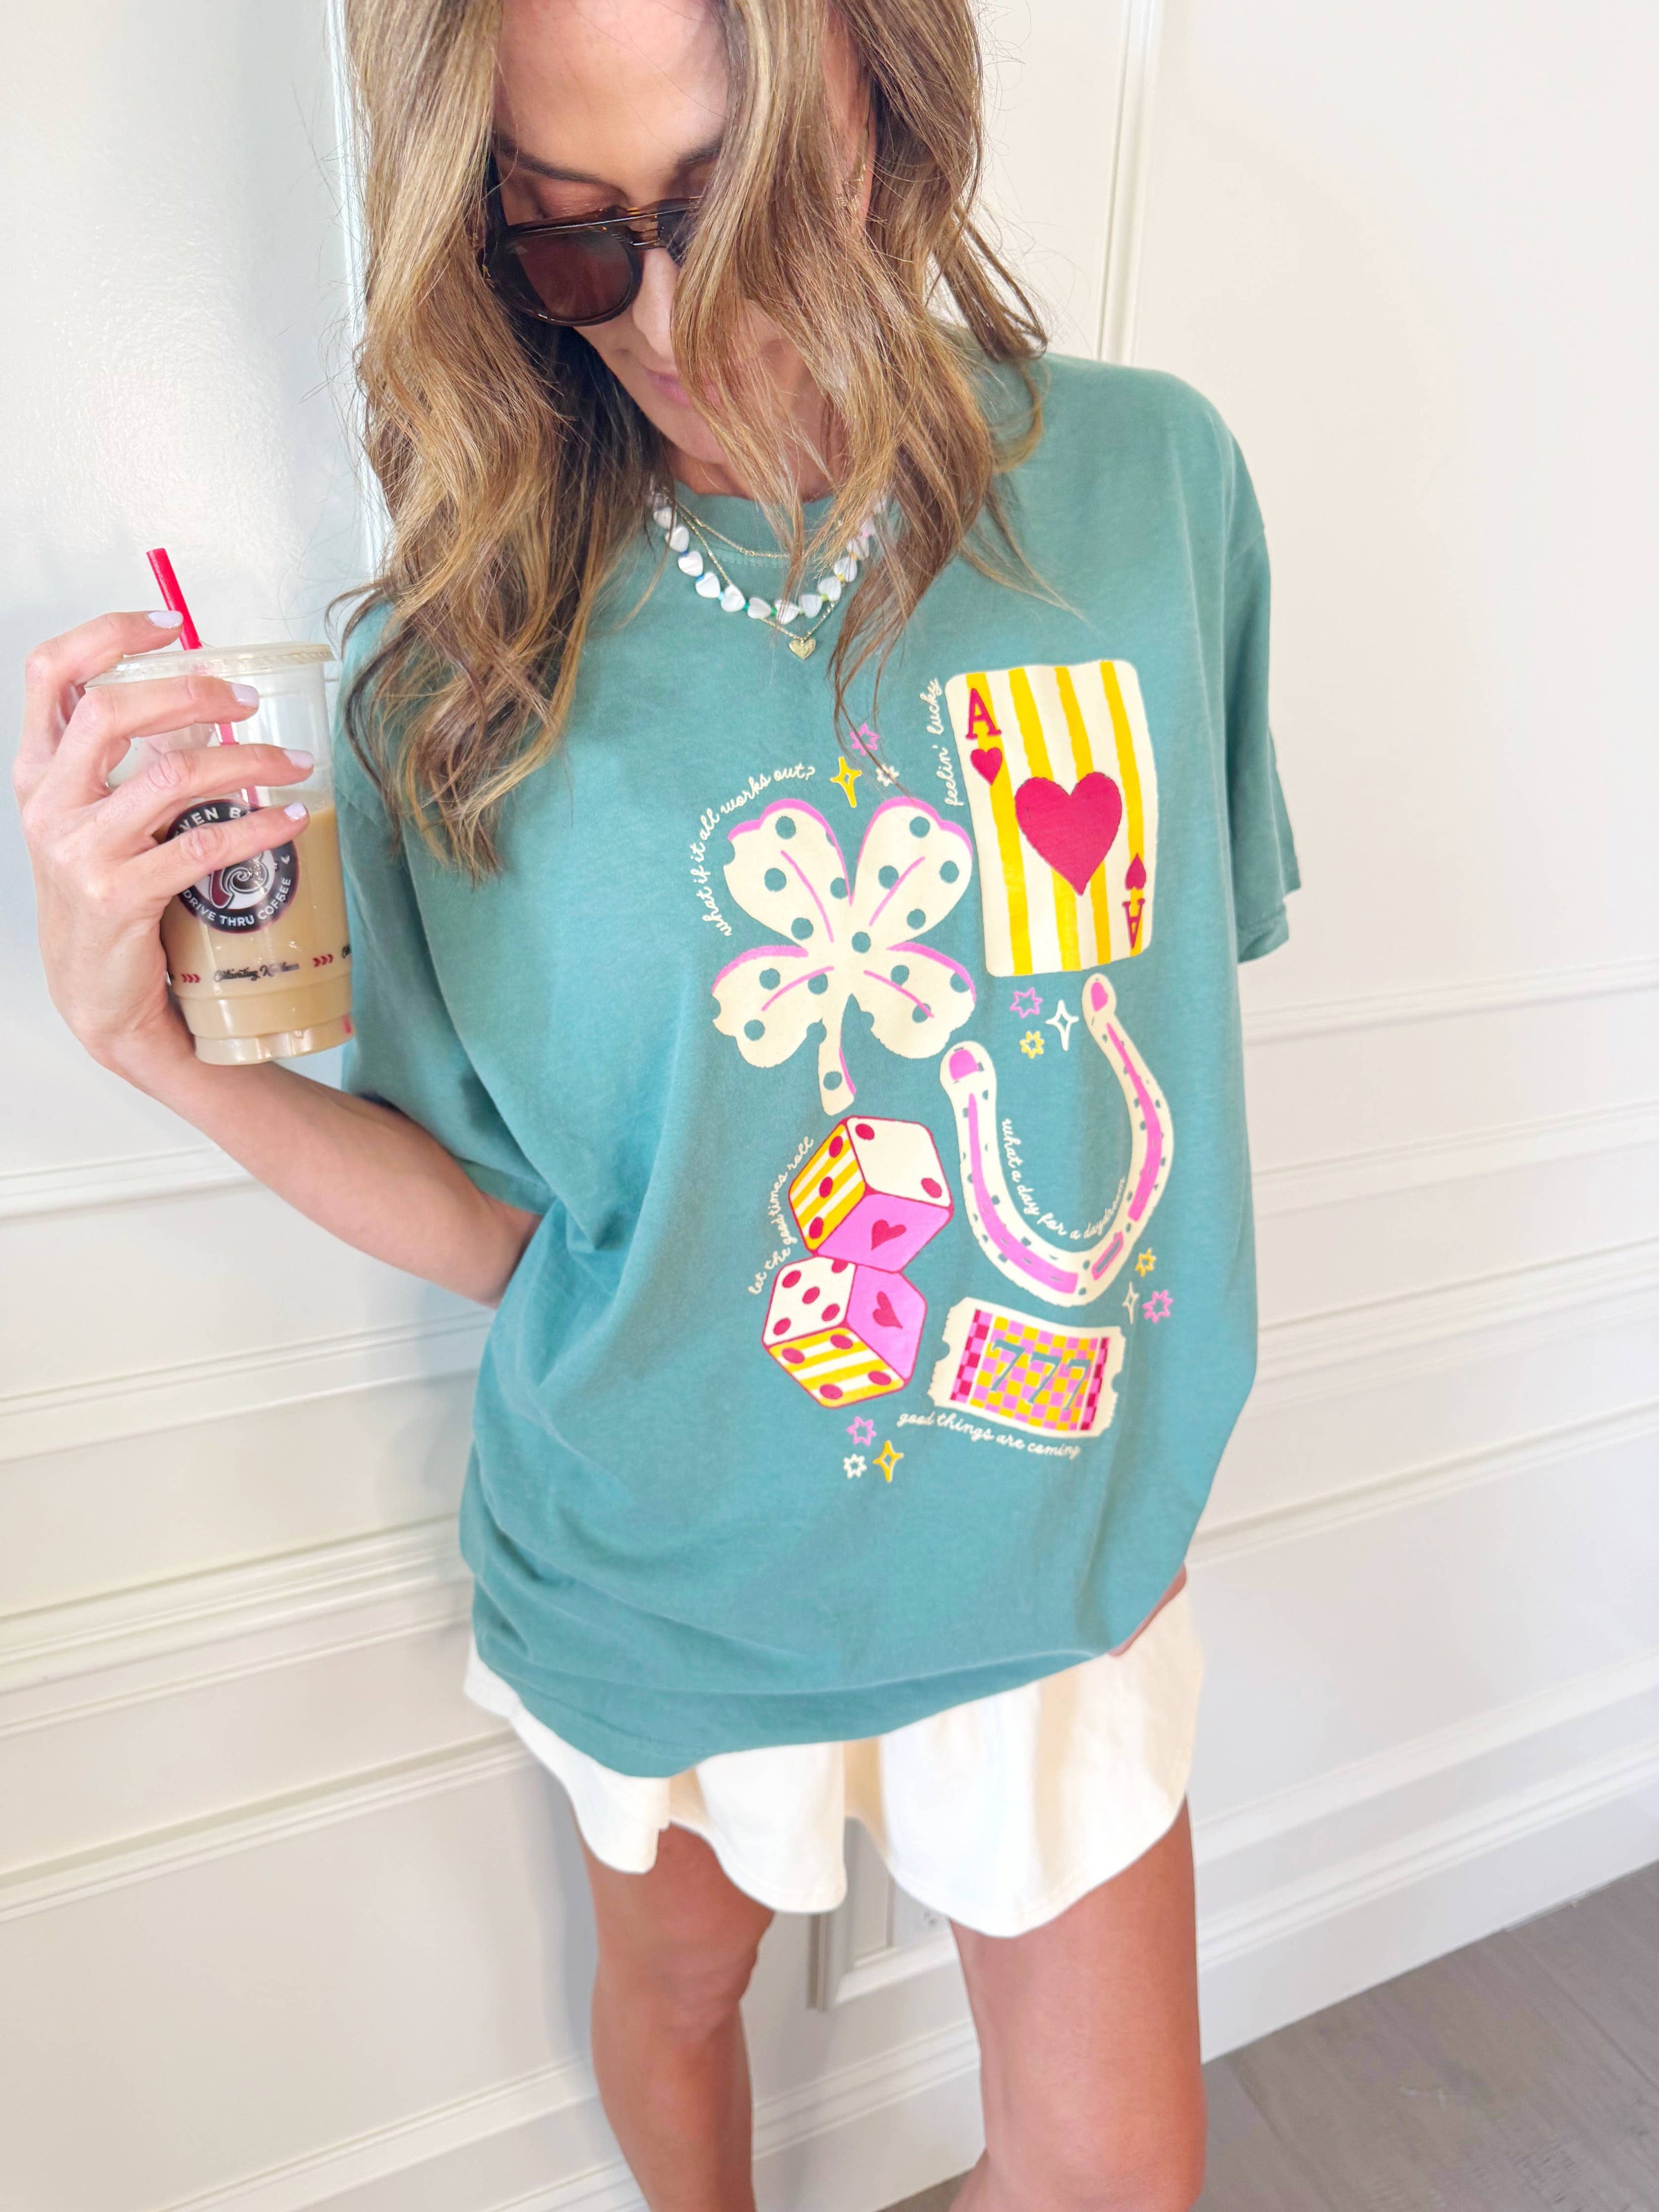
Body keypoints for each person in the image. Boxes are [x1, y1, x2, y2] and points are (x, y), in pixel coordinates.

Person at [15, 0, 1299, 2203]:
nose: (677, 325)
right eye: (576, 241)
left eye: (742, 197)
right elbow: (509, 1225)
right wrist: (145, 1048)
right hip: (657, 1568)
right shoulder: (455, 670)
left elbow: (1152, 1040)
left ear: (888, 99)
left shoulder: (1148, 491)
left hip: (1053, 1543)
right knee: (678, 2000)